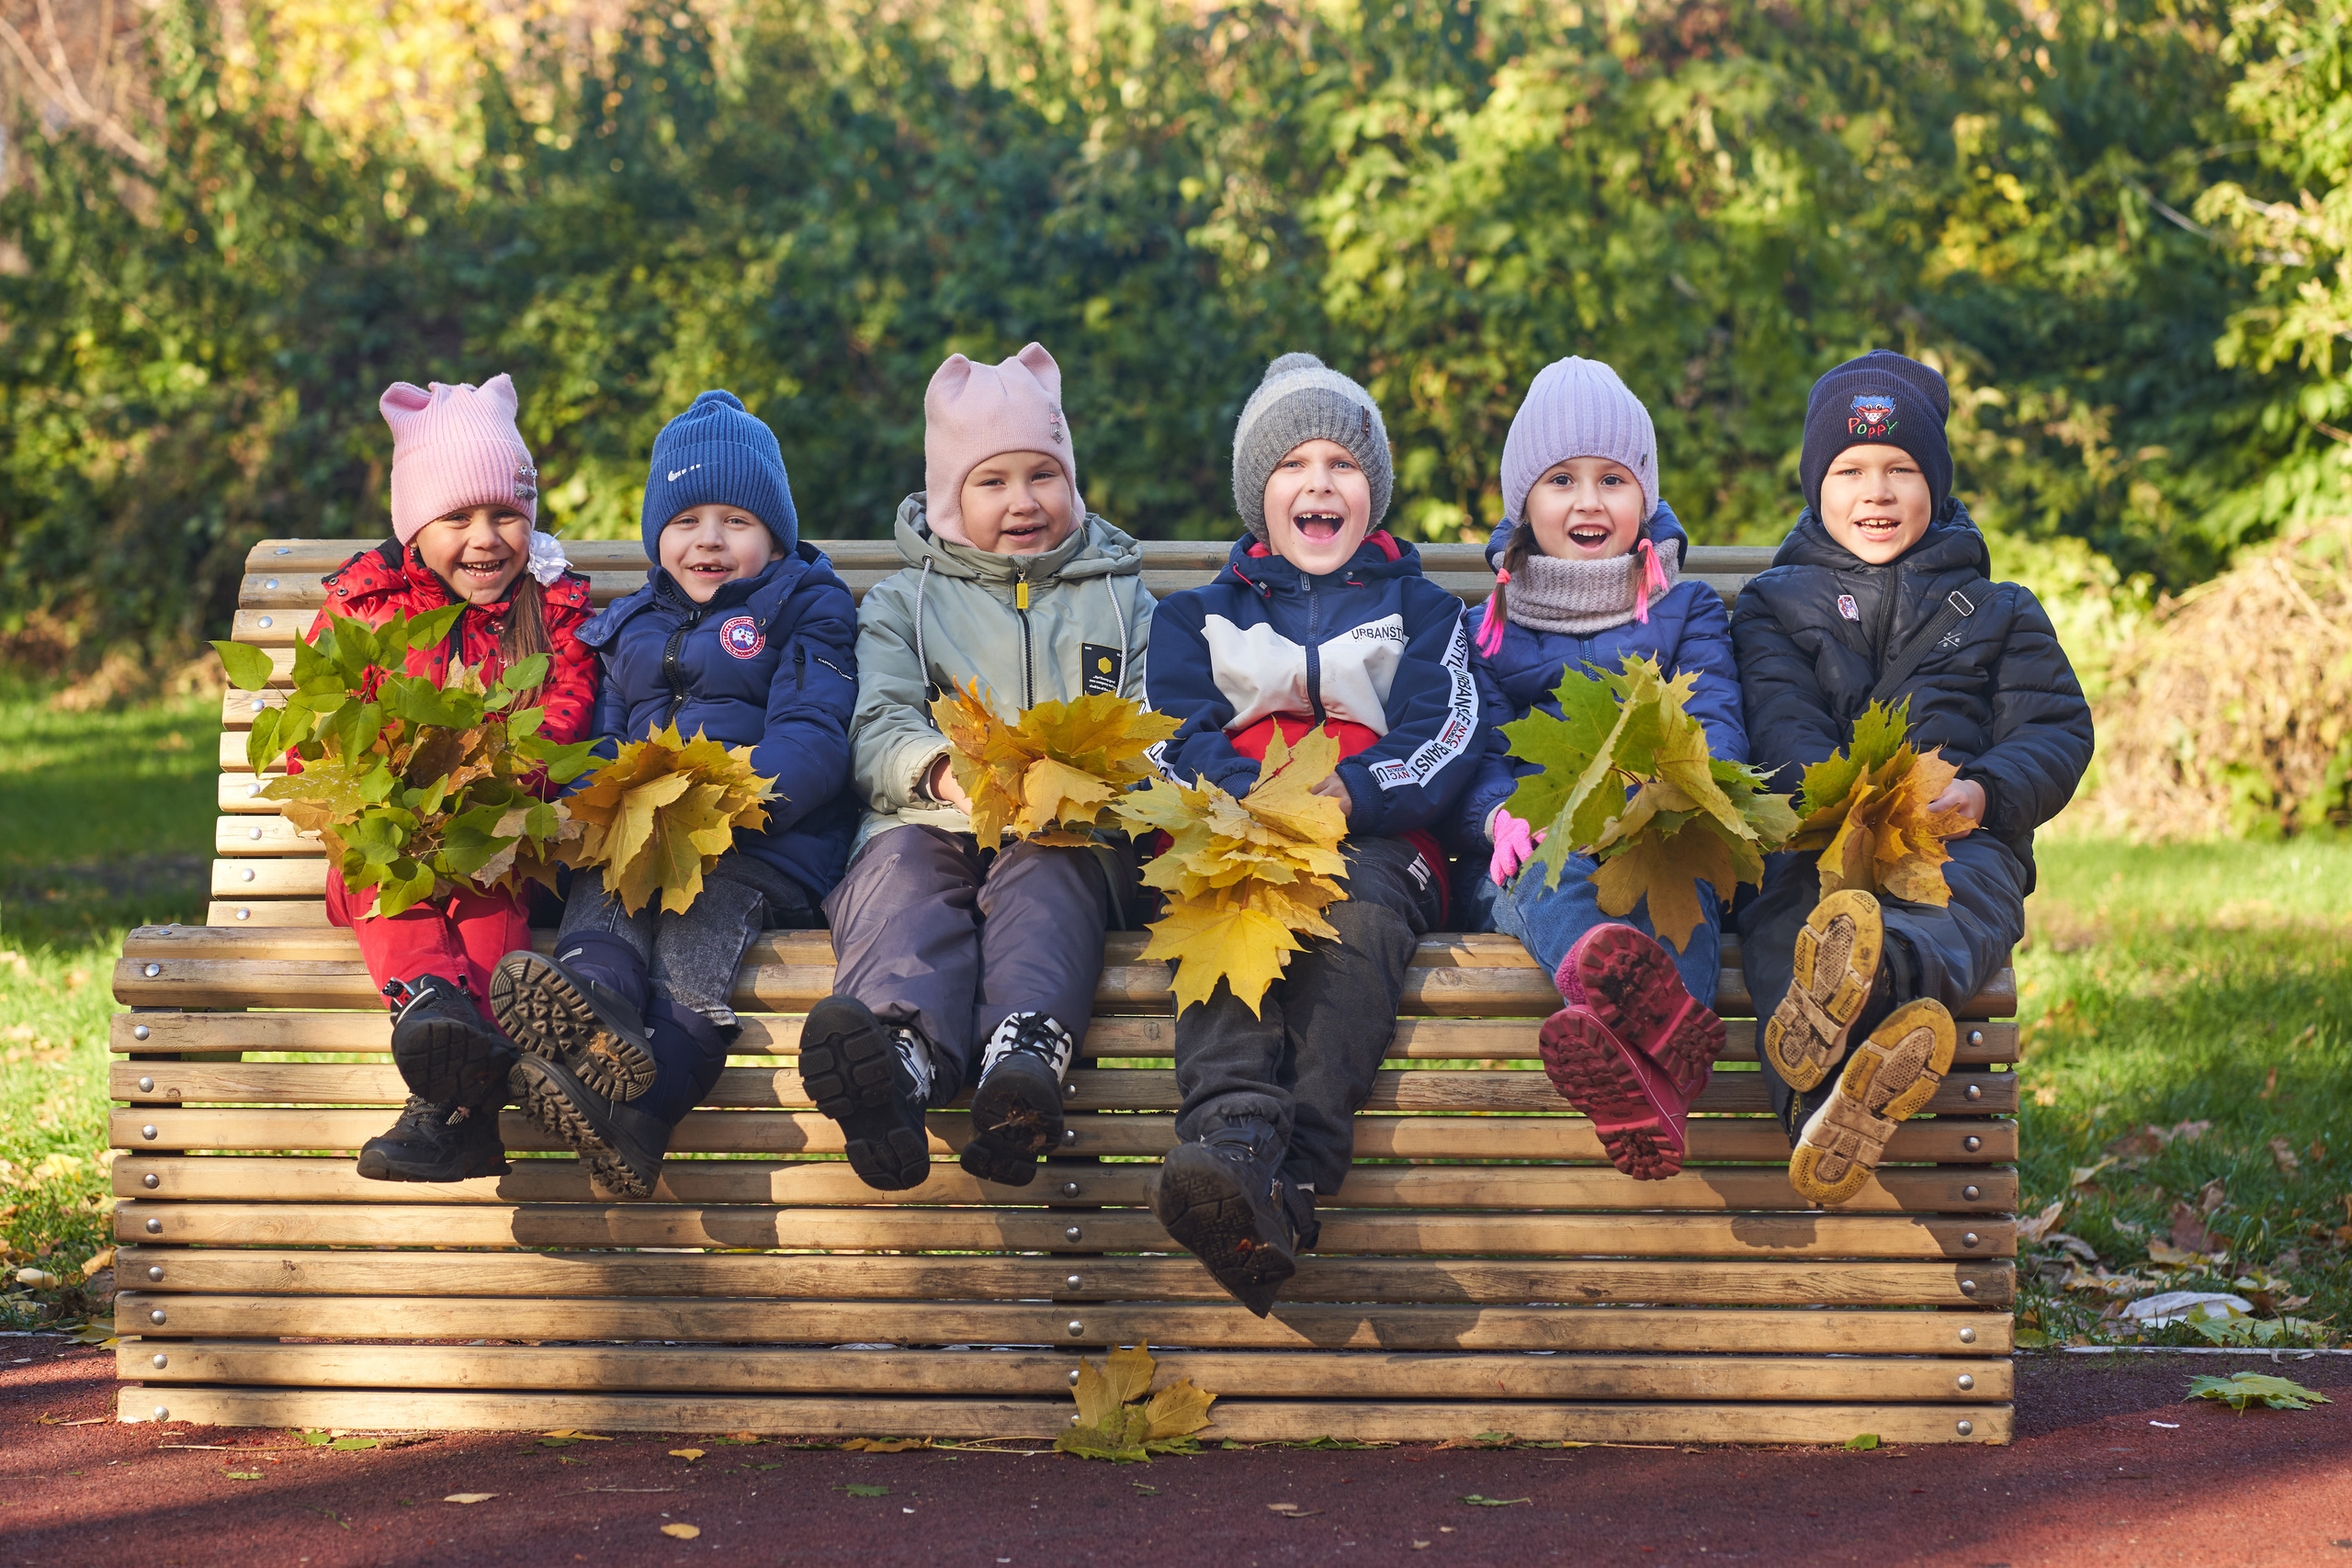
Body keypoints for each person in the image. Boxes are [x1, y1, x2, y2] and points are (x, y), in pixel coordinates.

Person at [1143, 352, 1483, 1314]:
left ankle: (1291, 1177)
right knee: (1220, 912)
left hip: (1375, 841)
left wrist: (1352, 795)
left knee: (1363, 926)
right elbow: (1166, 736)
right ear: (1262, 495)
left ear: (1370, 492)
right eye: (1293, 465)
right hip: (1236, 834)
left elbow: (1448, 732)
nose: (1318, 483)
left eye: (1342, 463)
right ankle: (1235, 1148)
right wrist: (1252, 797)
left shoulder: (1422, 612)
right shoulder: (1195, 618)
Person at [1735, 350, 2093, 1204]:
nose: (1877, 492)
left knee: (1964, 903)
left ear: (1936, 482)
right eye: (1850, 470)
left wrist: (1988, 792)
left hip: (1953, 835)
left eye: (1902, 470)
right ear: (1815, 486)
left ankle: (1881, 977)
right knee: (1786, 909)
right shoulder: (1775, 605)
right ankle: (1821, 1105)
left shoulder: (2001, 609)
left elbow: (2056, 727)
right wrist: (1832, 803)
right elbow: (1783, 726)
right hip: (1819, 838)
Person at [487, 390, 860, 1200]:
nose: (710, 540)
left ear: (775, 534)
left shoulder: (805, 605)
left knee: (694, 934)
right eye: (687, 519)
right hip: (646, 835)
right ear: (659, 535)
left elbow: (816, 732)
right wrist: (598, 805)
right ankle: (591, 1009)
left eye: (736, 520)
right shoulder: (631, 624)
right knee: (604, 887)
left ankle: (643, 1106)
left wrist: (734, 800)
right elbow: (604, 746)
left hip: (759, 844)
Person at [804, 344, 1156, 1192]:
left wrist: (1094, 784)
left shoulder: (1120, 596)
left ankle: (1022, 1060)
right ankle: (897, 1061)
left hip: (1067, 827)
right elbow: (877, 722)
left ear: (1072, 482)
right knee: (899, 882)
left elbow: (1152, 726)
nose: (1024, 501)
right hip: (931, 816)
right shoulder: (906, 603)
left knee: (1050, 880)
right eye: (993, 482)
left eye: (1044, 476)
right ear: (950, 498)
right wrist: (940, 773)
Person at [1456, 356, 1746, 1180]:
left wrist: (1671, 793)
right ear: (1525, 502)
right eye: (1562, 480)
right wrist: (1499, 817)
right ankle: (1619, 987)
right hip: (1537, 844)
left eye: (1613, 478)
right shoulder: (1490, 628)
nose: (1589, 501)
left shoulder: (1686, 609)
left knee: (1678, 890)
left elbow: (1718, 720)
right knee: (1549, 881)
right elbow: (1475, 747)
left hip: (1658, 828)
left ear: (1645, 497)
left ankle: (1649, 1076)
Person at [317, 375, 597, 1185]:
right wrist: (382, 792)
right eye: (458, 518)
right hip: (386, 833)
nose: (486, 538)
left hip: (501, 833)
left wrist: (482, 785)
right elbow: (320, 734)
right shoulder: (366, 606)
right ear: (414, 525)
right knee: (385, 868)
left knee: (487, 873)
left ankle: (447, 1106)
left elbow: (561, 721)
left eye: (506, 514)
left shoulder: (551, 611)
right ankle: (432, 1010)